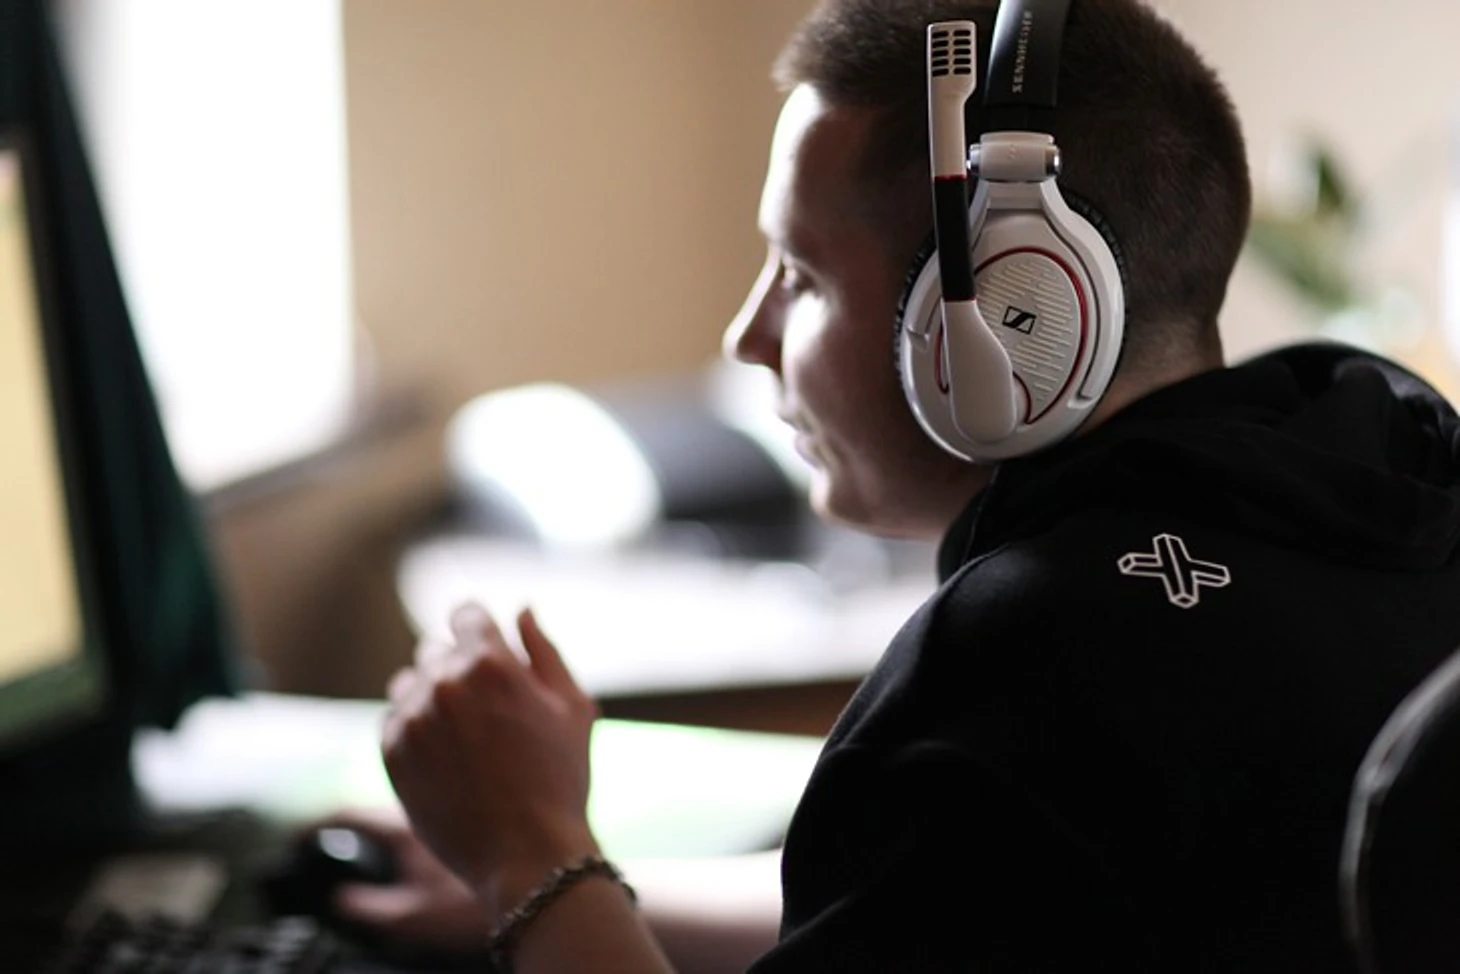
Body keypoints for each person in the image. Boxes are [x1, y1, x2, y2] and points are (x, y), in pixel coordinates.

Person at [353, 0, 1460, 971]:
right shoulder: (1390, 469)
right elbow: (953, 903)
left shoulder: (1020, 655)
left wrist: (528, 854)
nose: (747, 336)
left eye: (800, 276)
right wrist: (595, 887)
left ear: (1024, 311)